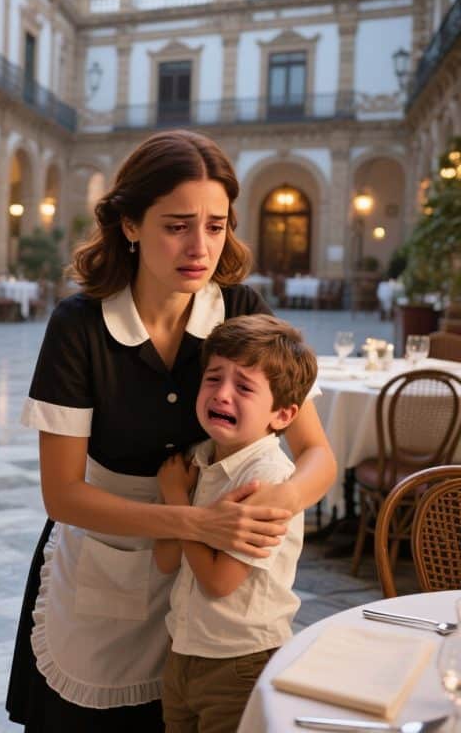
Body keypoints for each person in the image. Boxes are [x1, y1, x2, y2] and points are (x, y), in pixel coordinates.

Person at [5, 129, 335, 732]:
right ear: (129, 224)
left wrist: (273, 505)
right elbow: (63, 495)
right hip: (107, 563)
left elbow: (316, 453)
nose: (200, 246)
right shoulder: (79, 327)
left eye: (216, 225)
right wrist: (197, 521)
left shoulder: (241, 310)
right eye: (177, 224)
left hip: (213, 606)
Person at [154, 313, 317, 733]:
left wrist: (177, 501)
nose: (222, 394)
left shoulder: (268, 480)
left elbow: (219, 582)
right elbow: (164, 559)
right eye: (213, 378)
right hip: (184, 650)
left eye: (244, 387)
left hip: (239, 662)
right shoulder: (198, 459)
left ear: (282, 415)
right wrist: (186, 513)